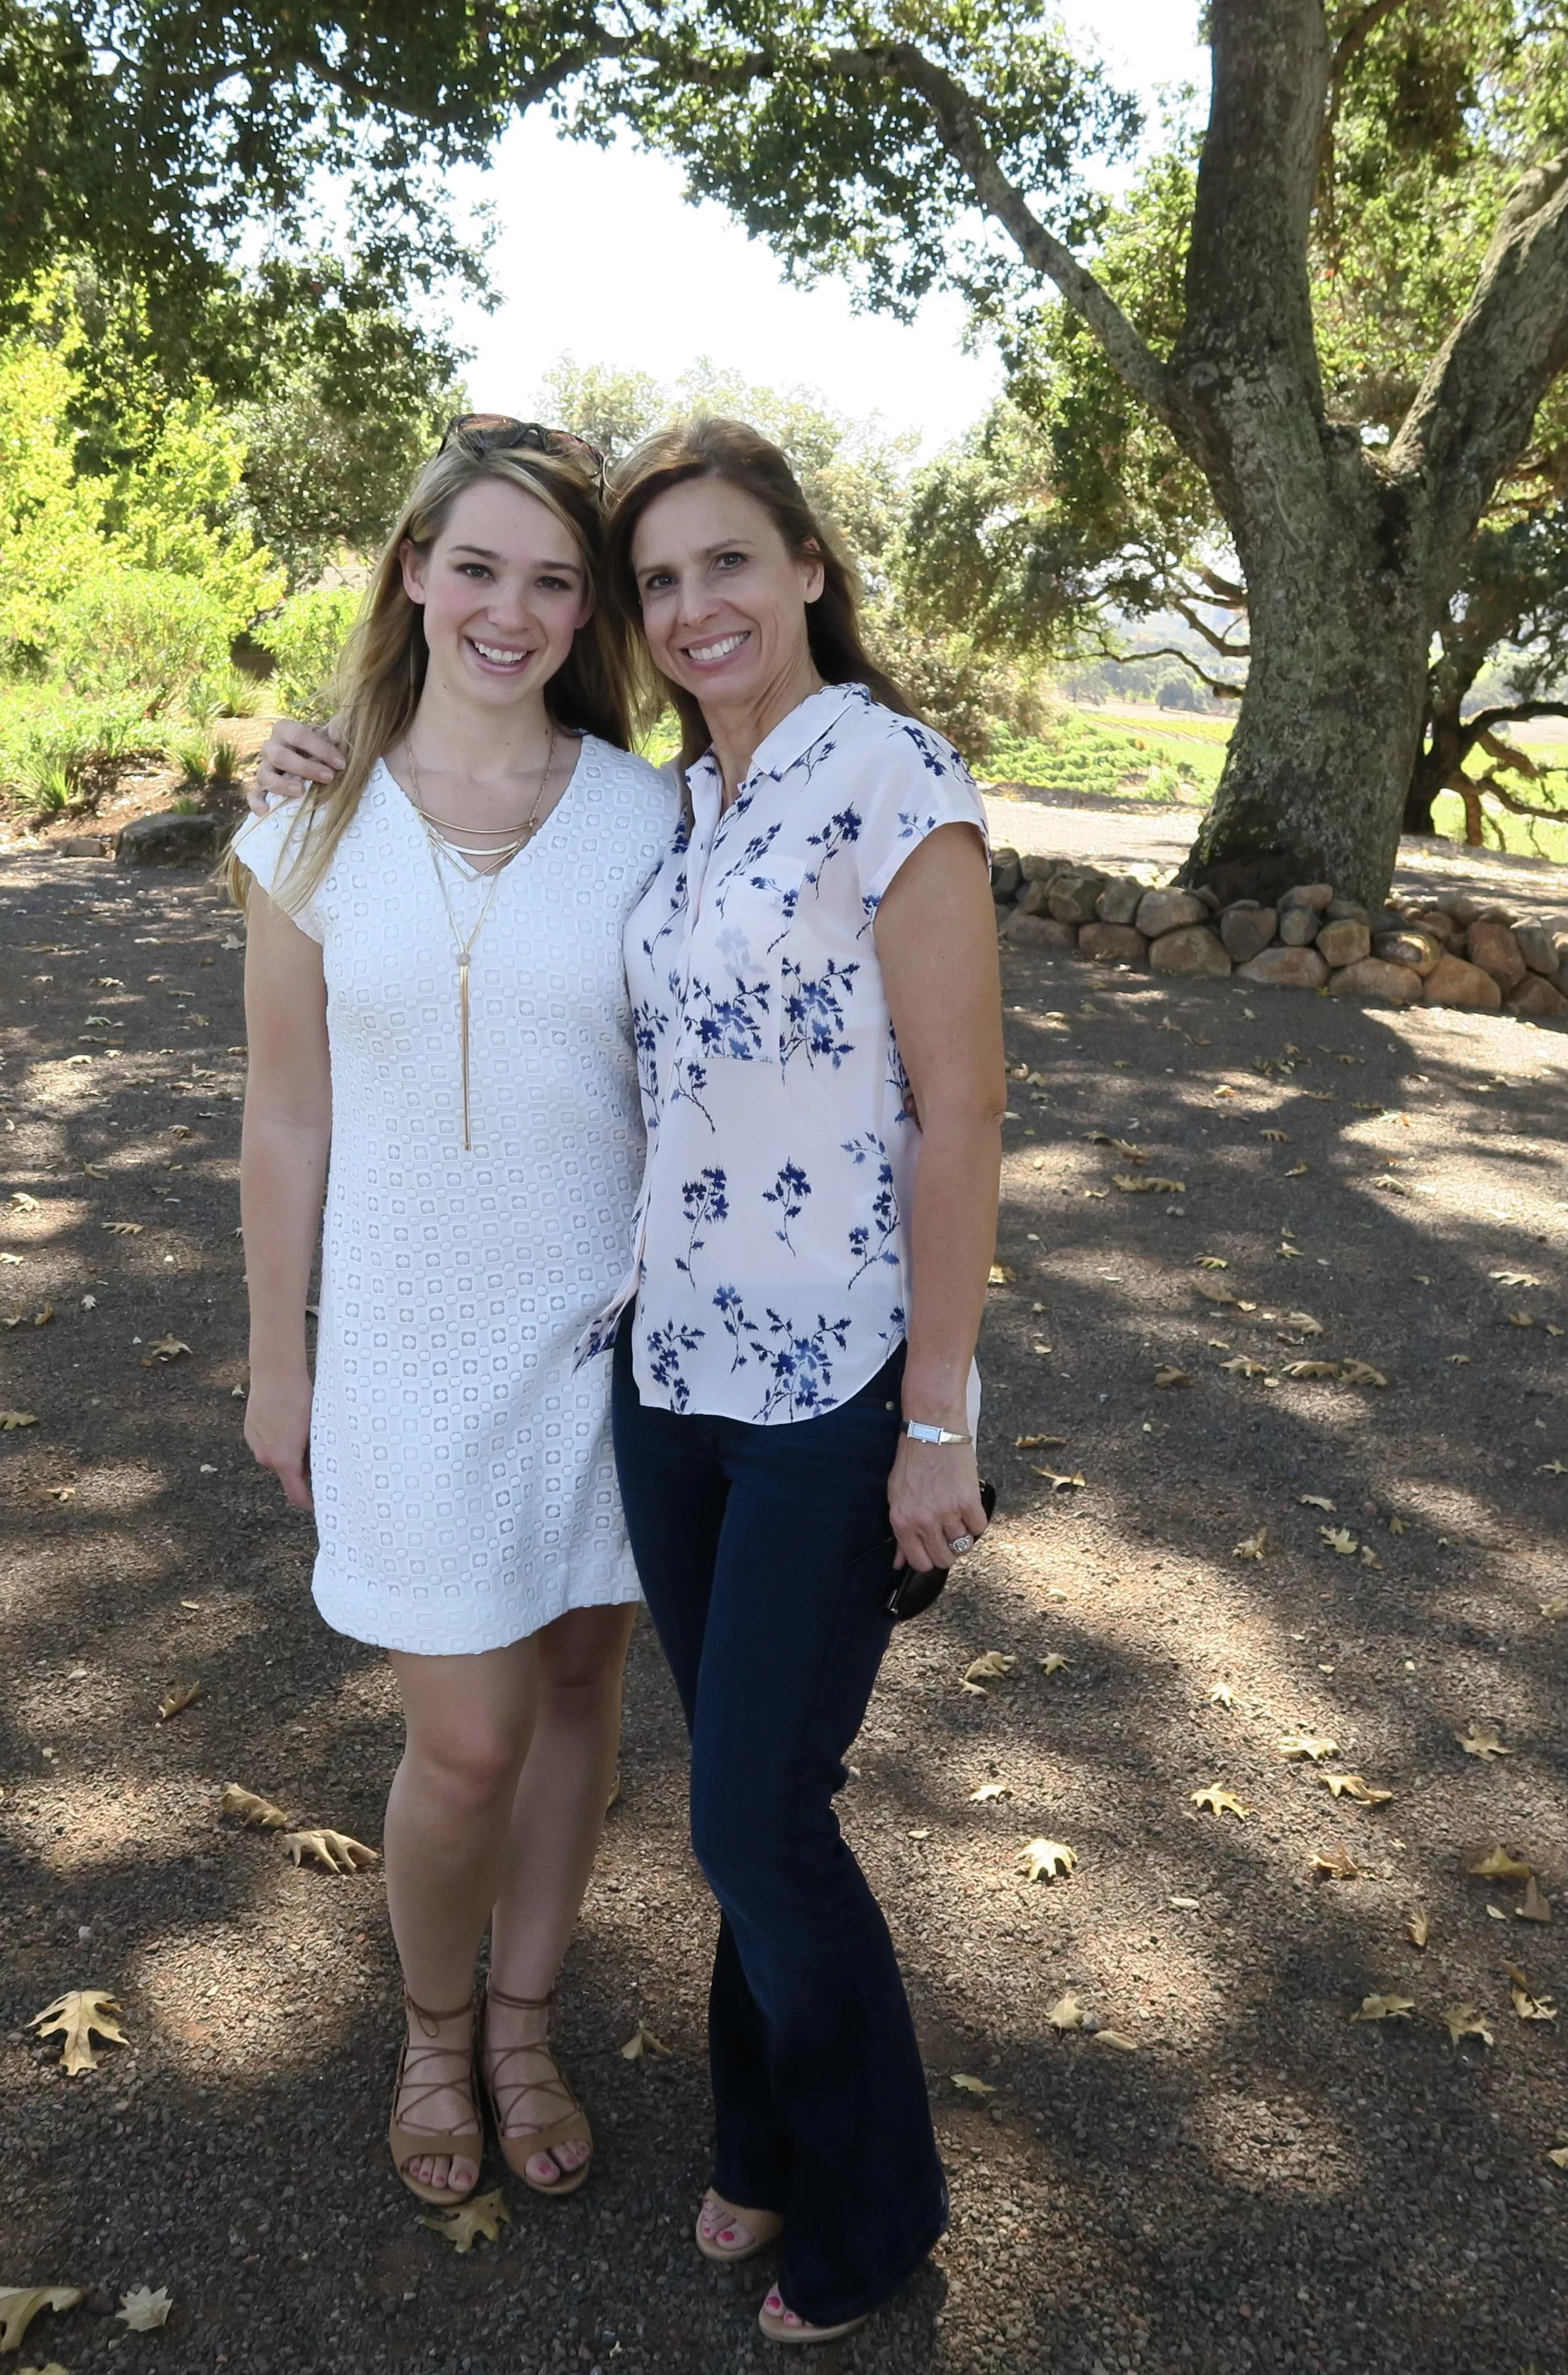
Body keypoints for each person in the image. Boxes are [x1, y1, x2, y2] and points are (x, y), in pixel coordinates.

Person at [236, 418, 678, 2208]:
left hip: (609, 1335)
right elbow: (285, 1116)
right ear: (414, 571)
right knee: (469, 1734)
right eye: (477, 566)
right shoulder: (308, 819)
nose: (510, 610)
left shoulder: (651, 814)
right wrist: (279, 1360)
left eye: (552, 581)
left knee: (577, 1683)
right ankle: (430, 2029)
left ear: (588, 614)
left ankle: (522, 2019)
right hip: (403, 1345)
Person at [595, 416, 1004, 2345]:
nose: (695, 608)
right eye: (660, 580)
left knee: (757, 1815)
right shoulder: (684, 804)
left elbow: (962, 1111)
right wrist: (321, 760)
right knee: (739, 1798)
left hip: (836, 1386)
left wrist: (938, 1417)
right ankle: (758, 2141)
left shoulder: (890, 775)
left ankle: (877, 2204)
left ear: (810, 568)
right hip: (669, 1369)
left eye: (727, 563)